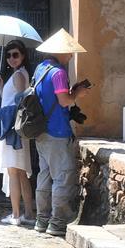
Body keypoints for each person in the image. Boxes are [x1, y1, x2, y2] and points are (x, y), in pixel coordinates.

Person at [32, 29, 91, 237]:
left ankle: (42, 219)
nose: (71, 56)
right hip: (57, 132)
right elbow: (64, 101)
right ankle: (57, 223)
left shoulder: (41, 69)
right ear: (61, 52)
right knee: (62, 177)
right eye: (69, 52)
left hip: (41, 133)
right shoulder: (59, 73)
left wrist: (70, 91)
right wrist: (77, 93)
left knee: (44, 176)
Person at [0, 40, 35, 226]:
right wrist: (1, 88)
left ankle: (16, 214)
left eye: (15, 54)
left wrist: (1, 112)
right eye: (9, 55)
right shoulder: (19, 74)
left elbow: (19, 103)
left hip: (12, 129)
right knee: (21, 173)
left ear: (23, 55)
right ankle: (28, 213)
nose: (11, 58)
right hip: (16, 129)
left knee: (13, 172)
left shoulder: (18, 75)